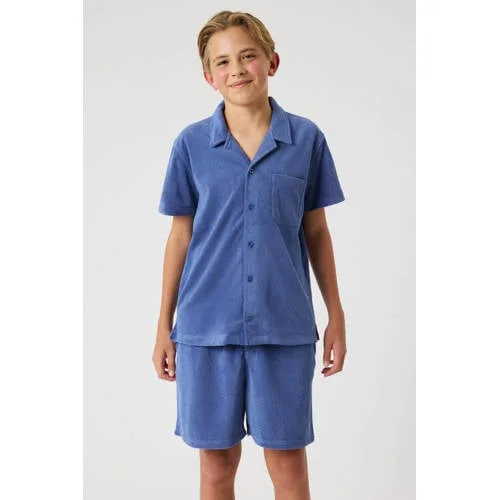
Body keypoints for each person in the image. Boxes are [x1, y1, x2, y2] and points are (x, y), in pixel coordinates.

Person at [152, 10, 347, 500]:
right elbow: (180, 237)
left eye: (248, 56)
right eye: (222, 62)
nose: (236, 69)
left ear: (271, 62)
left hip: (283, 330)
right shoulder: (191, 145)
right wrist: (163, 326)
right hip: (205, 331)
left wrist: (336, 315)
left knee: (287, 465)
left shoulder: (306, 140)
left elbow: (317, 232)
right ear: (209, 76)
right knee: (216, 466)